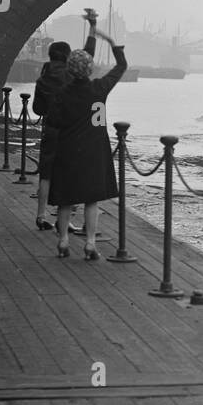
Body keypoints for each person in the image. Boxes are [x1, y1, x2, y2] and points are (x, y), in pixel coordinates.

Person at [44, 30, 128, 259]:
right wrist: (115, 46)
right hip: (94, 151)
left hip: (68, 150)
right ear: (90, 69)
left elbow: (53, 121)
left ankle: (63, 241)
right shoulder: (100, 88)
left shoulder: (62, 94)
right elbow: (121, 68)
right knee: (92, 199)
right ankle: (90, 243)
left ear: (70, 69)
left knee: (65, 199)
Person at [32, 15, 98, 231]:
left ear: (50, 56)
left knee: (47, 174)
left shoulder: (42, 79)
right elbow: (87, 56)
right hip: (71, 132)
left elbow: (37, 109)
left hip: (50, 130)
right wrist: (93, 27)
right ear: (67, 57)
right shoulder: (71, 75)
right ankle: (66, 220)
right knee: (69, 175)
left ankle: (41, 217)